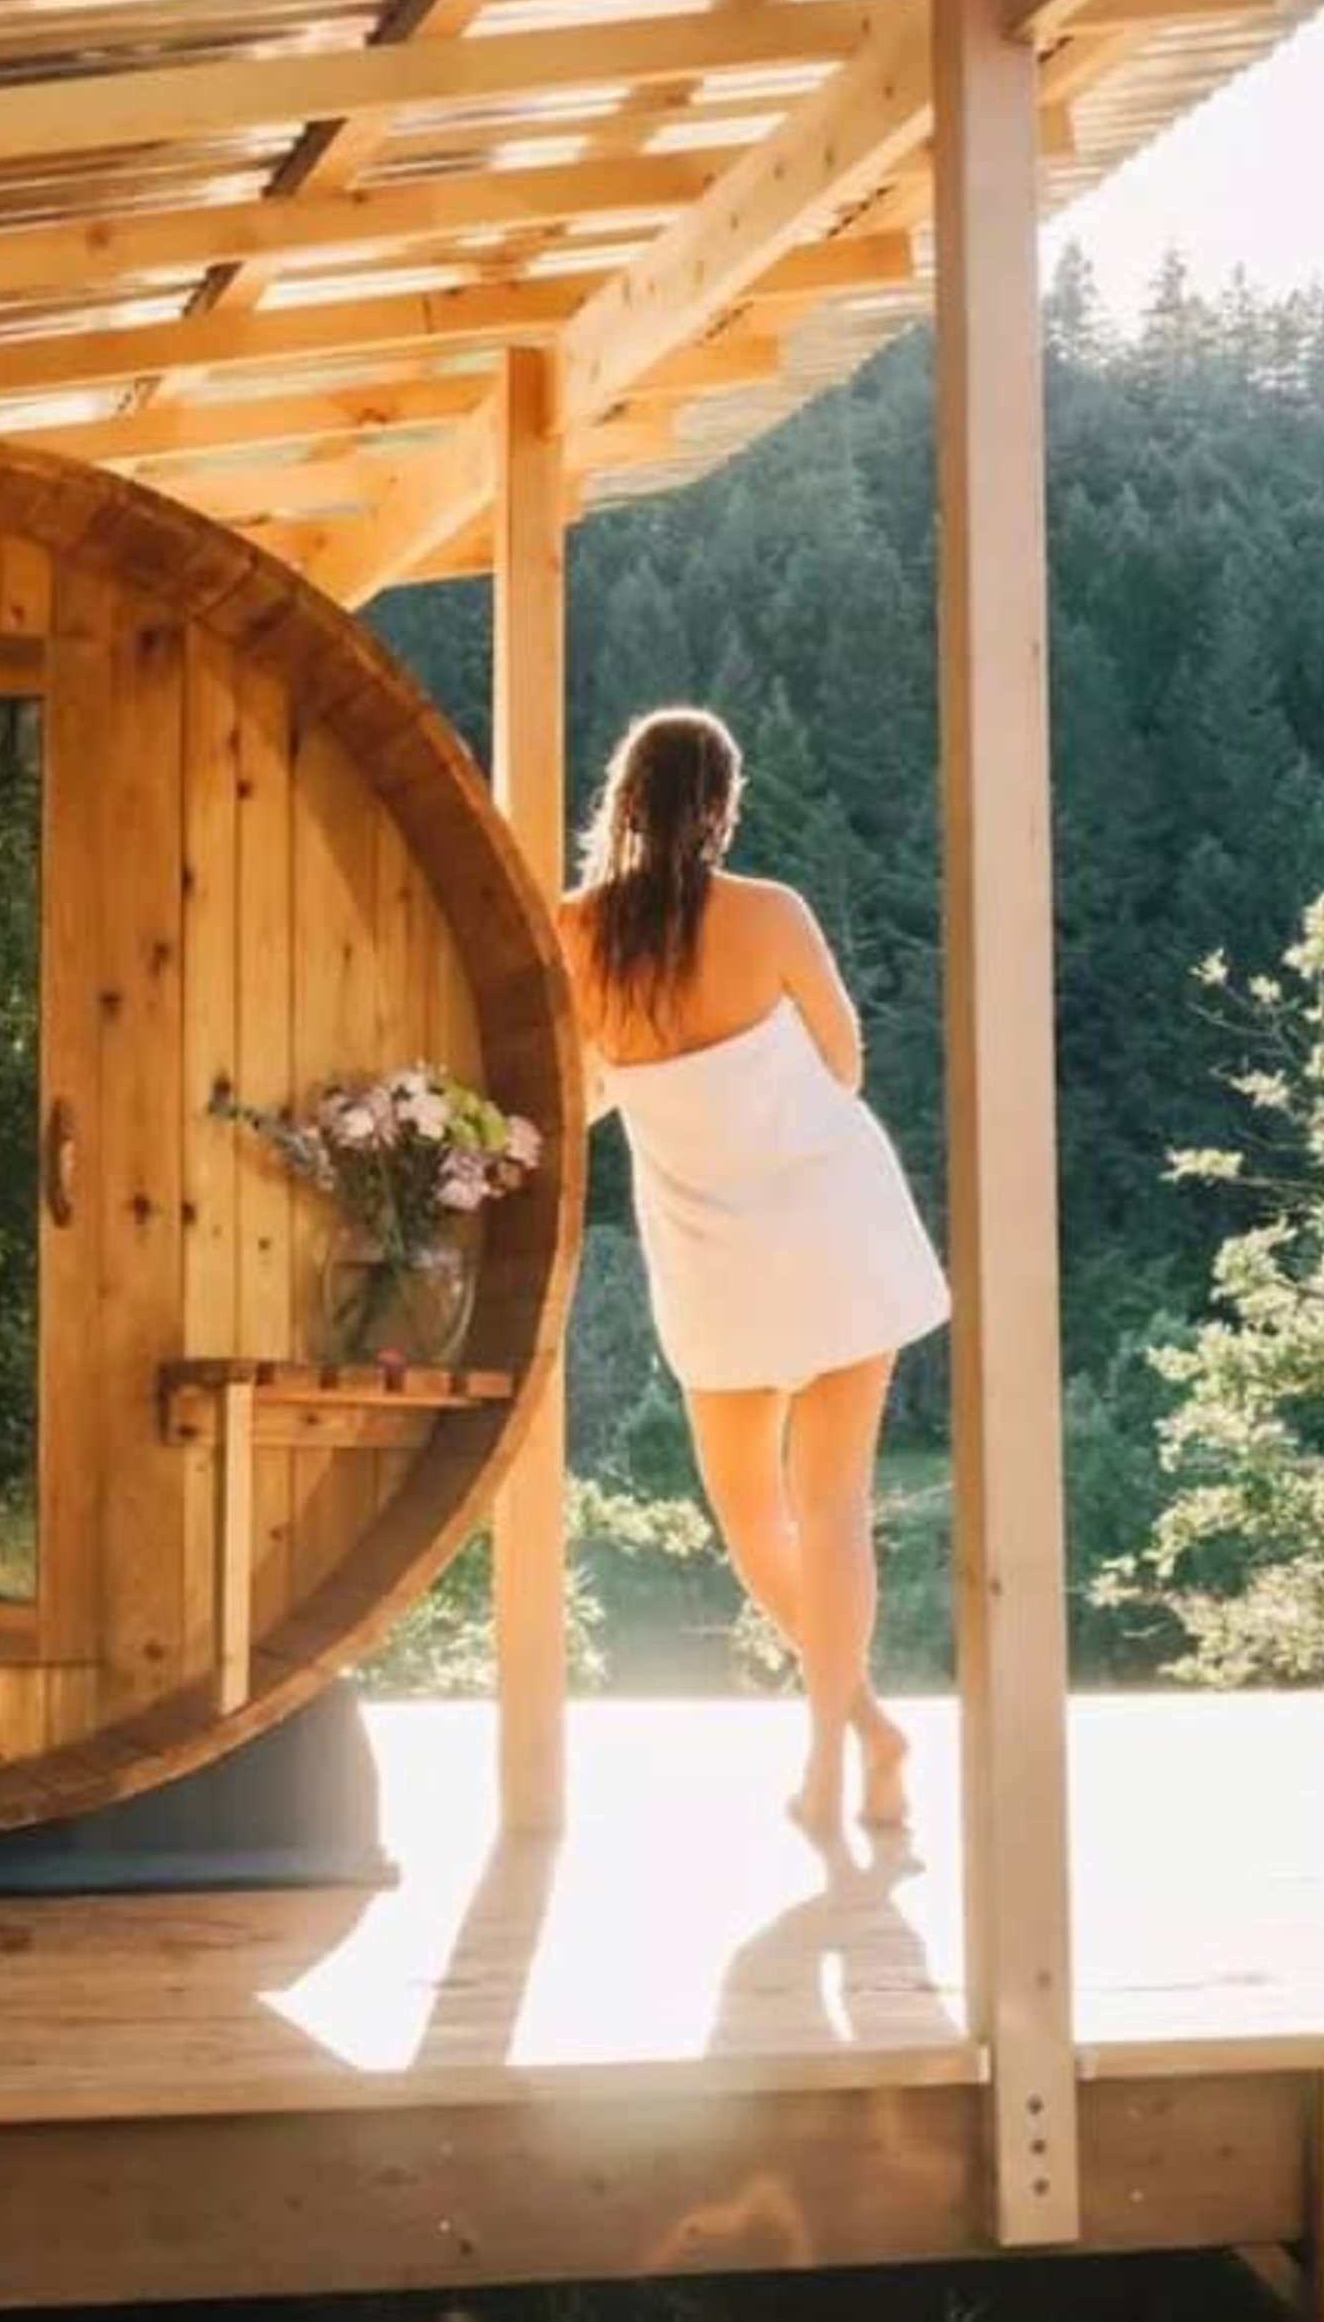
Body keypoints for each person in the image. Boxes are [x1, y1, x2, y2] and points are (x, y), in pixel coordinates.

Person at [557, 707, 952, 1836]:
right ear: (722, 805)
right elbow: (843, 1056)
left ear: (621, 801)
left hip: (714, 1250)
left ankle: (858, 1734)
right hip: (834, 1221)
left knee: (752, 1520)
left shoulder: (577, 933)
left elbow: (579, 1092)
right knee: (834, 1508)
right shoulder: (772, 913)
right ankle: (842, 1744)